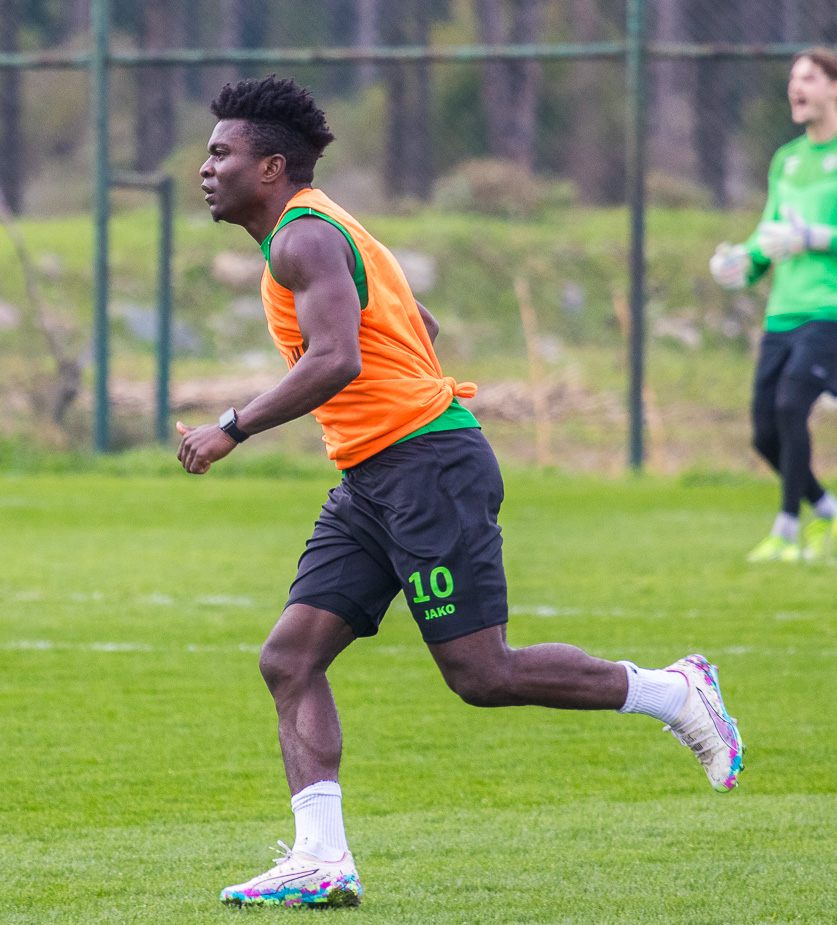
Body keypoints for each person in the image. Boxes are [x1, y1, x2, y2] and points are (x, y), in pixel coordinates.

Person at [177, 75, 745, 908]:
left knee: (482, 673)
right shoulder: (323, 232)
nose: (205, 168)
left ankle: (674, 692)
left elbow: (337, 357)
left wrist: (233, 425)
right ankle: (321, 858)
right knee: (290, 658)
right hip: (377, 475)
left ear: (269, 167)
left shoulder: (304, 238)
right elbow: (420, 325)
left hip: (426, 467)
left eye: (220, 153)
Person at [710, 47, 837, 563]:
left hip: (832, 310)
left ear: (836, 88)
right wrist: (743, 263)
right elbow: (770, 233)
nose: (796, 87)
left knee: (792, 406)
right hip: (784, 311)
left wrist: (815, 237)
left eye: (809, 78)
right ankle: (828, 509)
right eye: (793, 78)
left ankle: (786, 531)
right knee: (764, 434)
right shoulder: (787, 159)